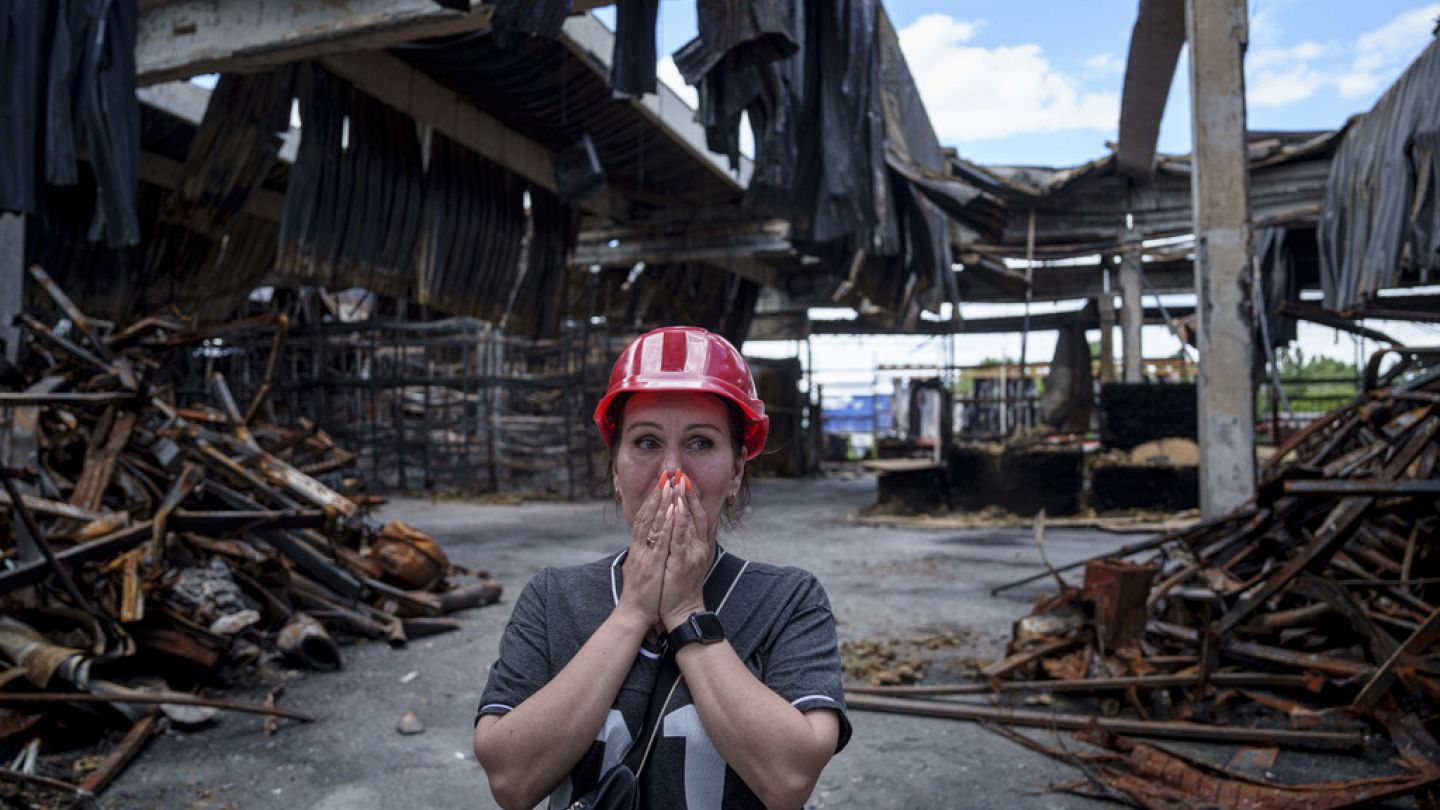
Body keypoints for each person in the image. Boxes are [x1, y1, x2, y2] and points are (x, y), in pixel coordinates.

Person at [473, 326, 850, 810]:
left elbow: (789, 779)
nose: (672, 472)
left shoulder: (788, 600)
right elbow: (510, 779)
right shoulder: (553, 597)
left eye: (701, 443)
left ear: (736, 472)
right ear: (615, 469)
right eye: (647, 443)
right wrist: (631, 611)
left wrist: (687, 609)